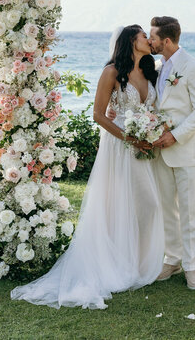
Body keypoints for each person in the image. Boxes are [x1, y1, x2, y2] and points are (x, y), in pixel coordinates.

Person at [10, 25, 164, 309]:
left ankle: (137, 264)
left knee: (148, 205)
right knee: (116, 206)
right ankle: (115, 266)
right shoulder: (111, 72)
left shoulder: (149, 68)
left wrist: (150, 132)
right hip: (119, 147)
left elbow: (150, 110)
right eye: (144, 35)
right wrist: (129, 137)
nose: (148, 39)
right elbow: (98, 114)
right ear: (131, 40)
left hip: (143, 148)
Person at [148, 16, 195, 290]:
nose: (148, 41)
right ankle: (172, 258)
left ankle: (192, 267)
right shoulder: (157, 67)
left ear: (166, 40)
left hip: (187, 150)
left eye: (152, 37)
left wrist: (174, 136)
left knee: (189, 211)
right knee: (167, 210)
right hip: (160, 152)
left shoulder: (193, 67)